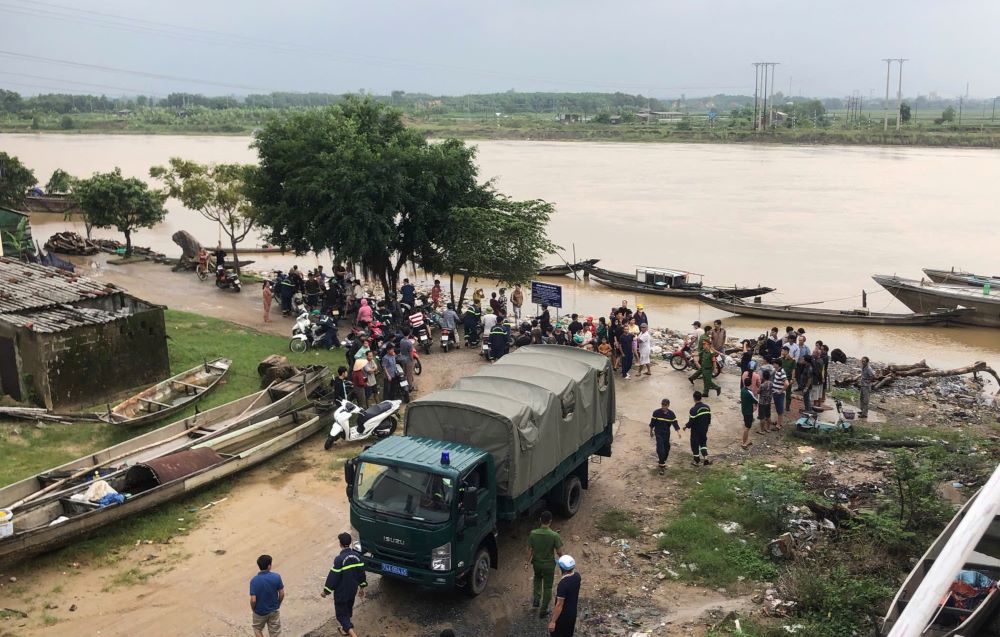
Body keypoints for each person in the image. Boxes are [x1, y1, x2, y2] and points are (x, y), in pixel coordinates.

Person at [322, 532, 367, 637]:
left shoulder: (339, 559)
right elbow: (361, 574)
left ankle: (352, 633)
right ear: (350, 542)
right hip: (352, 590)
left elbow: (333, 577)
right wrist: (362, 587)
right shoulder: (357, 557)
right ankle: (345, 629)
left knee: (341, 614)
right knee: (348, 609)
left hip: (341, 593)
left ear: (340, 544)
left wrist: (326, 591)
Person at [527, 510, 563, 617]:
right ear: (550, 521)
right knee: (547, 587)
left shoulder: (533, 534)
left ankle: (536, 599)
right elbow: (559, 552)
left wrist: (526, 562)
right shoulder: (554, 535)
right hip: (548, 565)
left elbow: (530, 550)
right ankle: (543, 610)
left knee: (537, 579)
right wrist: (563, 563)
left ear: (540, 520)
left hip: (537, 564)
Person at [250, 554, 284, 637]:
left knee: (257, 629)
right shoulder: (276, 577)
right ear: (269, 566)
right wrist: (278, 604)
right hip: (274, 609)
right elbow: (282, 593)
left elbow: (253, 599)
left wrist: (253, 608)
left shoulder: (254, 581)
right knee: (275, 632)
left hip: (260, 611)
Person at [548, 555, 581, 637]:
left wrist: (553, 621)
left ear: (561, 568)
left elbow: (559, 605)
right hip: (572, 613)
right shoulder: (577, 576)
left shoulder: (563, 584)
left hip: (563, 616)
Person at [649, 398, 680, 474]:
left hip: (666, 434)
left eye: (665, 405)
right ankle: (662, 466)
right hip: (658, 433)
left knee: (667, 448)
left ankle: (662, 461)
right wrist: (651, 432)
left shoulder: (671, 414)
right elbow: (652, 423)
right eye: (662, 405)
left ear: (668, 405)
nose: (663, 407)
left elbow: (675, 424)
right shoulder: (656, 413)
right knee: (660, 449)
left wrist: (678, 432)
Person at [684, 391, 712, 466]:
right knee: (703, 443)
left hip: (696, 430)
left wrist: (686, 426)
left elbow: (691, 422)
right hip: (704, 429)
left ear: (694, 398)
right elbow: (709, 419)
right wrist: (707, 425)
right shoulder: (707, 407)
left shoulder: (693, 409)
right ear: (701, 397)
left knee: (695, 444)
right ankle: (706, 458)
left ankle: (696, 461)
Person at [740, 377, 758, 449]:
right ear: (750, 383)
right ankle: (744, 443)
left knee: (746, 426)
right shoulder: (749, 392)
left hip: (744, 410)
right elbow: (755, 400)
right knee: (747, 428)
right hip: (748, 412)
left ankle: (745, 441)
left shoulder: (742, 390)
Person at [772, 362, 787, 430]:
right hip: (775, 393)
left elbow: (786, 383)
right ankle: (778, 421)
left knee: (780, 409)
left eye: (774, 363)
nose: (773, 365)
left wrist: (780, 391)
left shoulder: (781, 372)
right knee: (778, 408)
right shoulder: (777, 371)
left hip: (779, 394)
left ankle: (779, 425)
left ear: (778, 364)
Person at [758, 369, 773, 434]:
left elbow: (758, 392)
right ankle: (768, 428)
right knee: (768, 416)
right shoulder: (771, 383)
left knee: (762, 417)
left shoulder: (762, 385)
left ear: (763, 377)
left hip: (762, 402)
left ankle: (762, 430)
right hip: (768, 402)